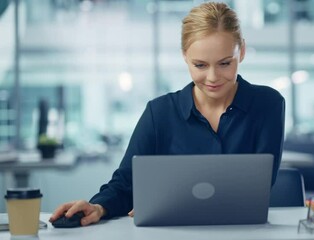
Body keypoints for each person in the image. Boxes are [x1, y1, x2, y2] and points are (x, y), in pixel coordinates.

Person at [49, 2, 285, 226]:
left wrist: (168, 205)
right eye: (200, 65)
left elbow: (258, 188)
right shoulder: (159, 112)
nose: (213, 77)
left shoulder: (268, 105)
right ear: (185, 56)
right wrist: (98, 207)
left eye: (225, 63)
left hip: (245, 233)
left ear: (241, 51)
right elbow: (124, 183)